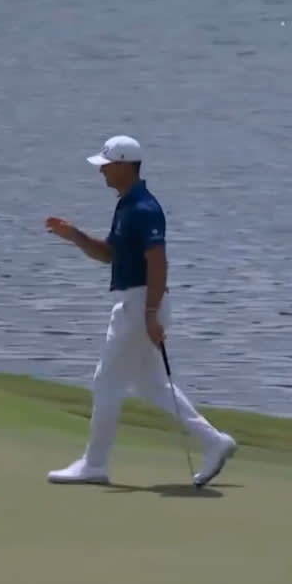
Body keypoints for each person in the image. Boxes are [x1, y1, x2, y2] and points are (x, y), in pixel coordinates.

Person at [43, 134, 238, 487]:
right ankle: (214, 442)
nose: (102, 172)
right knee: (153, 386)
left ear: (124, 166)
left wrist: (150, 313)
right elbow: (110, 254)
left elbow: (158, 261)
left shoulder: (144, 209)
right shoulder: (127, 206)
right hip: (138, 303)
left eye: (107, 166)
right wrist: (75, 236)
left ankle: (94, 464)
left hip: (140, 304)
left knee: (107, 382)